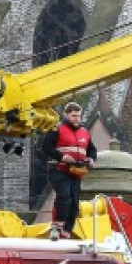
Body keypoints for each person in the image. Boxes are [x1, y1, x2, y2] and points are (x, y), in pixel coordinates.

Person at [40, 102, 97, 239]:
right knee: (64, 196)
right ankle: (57, 227)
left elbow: (92, 150)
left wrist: (91, 159)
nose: (76, 119)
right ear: (66, 115)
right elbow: (46, 147)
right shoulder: (57, 129)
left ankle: (66, 230)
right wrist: (61, 157)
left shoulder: (85, 132)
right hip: (59, 169)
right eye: (73, 116)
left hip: (76, 171)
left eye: (78, 116)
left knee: (74, 204)